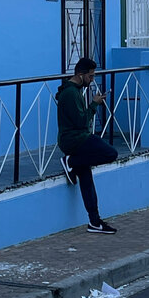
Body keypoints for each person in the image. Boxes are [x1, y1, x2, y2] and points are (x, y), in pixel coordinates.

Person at [56, 56, 118, 233]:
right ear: (80, 75)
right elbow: (81, 121)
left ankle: (94, 222)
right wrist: (94, 105)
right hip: (75, 139)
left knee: (86, 179)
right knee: (111, 154)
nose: (92, 80)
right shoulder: (71, 93)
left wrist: (93, 104)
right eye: (90, 76)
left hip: (76, 139)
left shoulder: (74, 91)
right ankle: (70, 162)